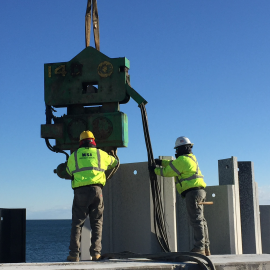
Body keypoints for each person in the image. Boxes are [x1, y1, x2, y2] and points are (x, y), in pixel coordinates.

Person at [149, 136, 210, 256]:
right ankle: (206, 247)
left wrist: (154, 170)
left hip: (192, 194)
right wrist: (161, 162)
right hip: (200, 192)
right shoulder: (191, 158)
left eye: (177, 150)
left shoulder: (182, 160)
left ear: (181, 149)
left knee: (196, 220)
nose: (176, 152)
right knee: (201, 220)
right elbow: (173, 164)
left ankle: (200, 248)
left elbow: (167, 172)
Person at [66, 130, 118, 262]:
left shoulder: (74, 155)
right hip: (97, 190)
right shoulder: (101, 154)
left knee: (77, 223)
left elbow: (67, 170)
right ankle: (96, 253)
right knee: (97, 223)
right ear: (93, 141)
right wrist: (111, 154)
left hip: (80, 192)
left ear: (80, 142)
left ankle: (73, 255)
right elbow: (114, 162)